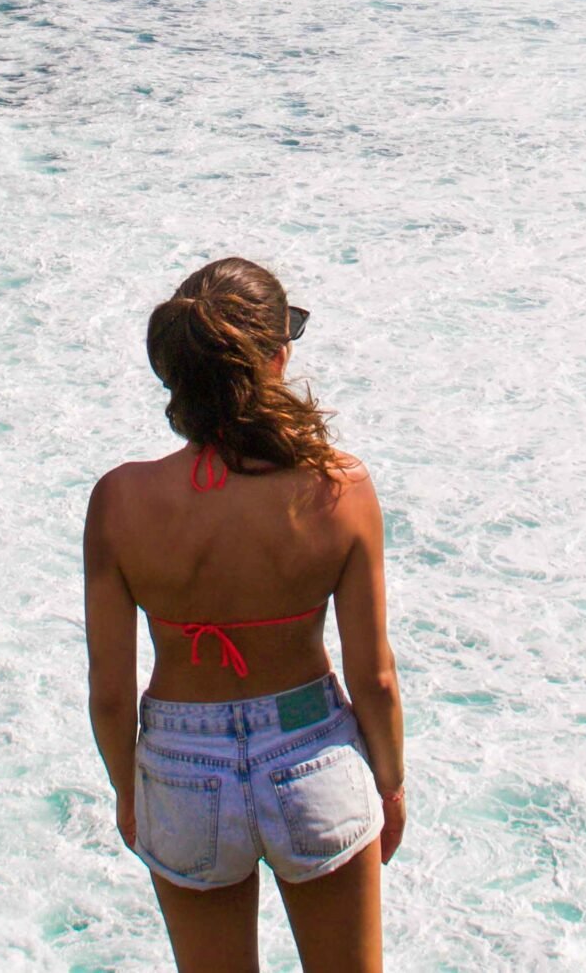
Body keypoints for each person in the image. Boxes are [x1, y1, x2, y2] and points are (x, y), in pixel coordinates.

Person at [85, 259, 404, 973]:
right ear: (279, 356)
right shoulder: (338, 487)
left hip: (179, 765)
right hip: (311, 752)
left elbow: (108, 691)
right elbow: (374, 674)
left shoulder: (120, 501)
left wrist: (129, 790)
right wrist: (390, 782)